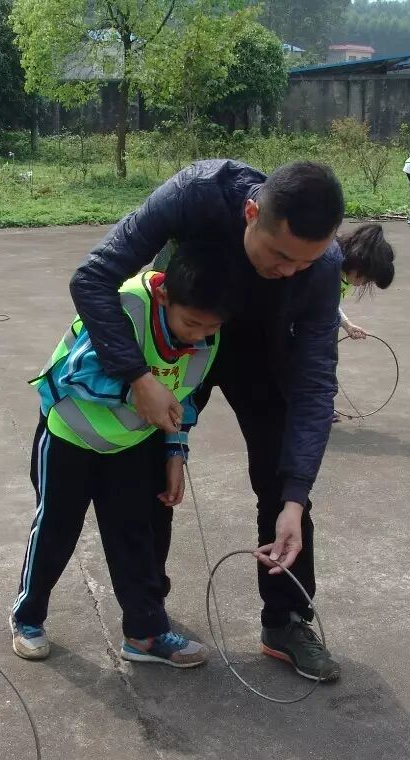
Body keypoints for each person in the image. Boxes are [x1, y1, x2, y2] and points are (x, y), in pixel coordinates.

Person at [70, 159, 345, 683]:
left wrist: (296, 495)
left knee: (282, 483)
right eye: (280, 255)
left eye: (304, 262)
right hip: (177, 339)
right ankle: (148, 615)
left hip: (264, 354)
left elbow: (315, 382)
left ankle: (285, 620)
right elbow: (93, 277)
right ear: (251, 213)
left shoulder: (324, 265)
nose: (291, 271)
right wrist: (137, 377)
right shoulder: (197, 194)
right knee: (153, 479)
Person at [10, 239, 236, 667]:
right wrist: (139, 395)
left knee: (135, 534)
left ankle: (144, 633)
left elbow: (185, 394)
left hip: (132, 444)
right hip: (69, 437)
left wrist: (175, 451)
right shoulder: (126, 306)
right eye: (191, 323)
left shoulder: (208, 333)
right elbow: (76, 373)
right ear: (165, 294)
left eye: (209, 328)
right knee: (56, 528)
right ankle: (28, 616)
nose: (198, 336)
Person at [337, 222, 396, 340]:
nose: (361, 284)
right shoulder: (327, 267)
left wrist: (347, 324)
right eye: (367, 279)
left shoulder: (347, 275)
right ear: (360, 264)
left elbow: (330, 305)